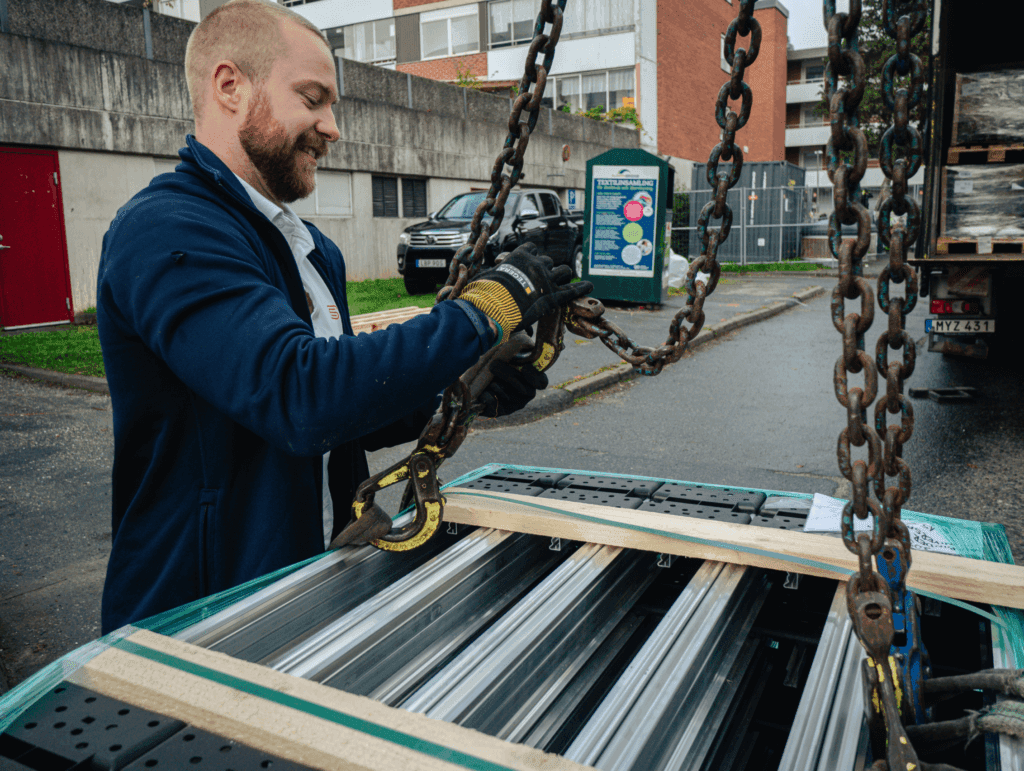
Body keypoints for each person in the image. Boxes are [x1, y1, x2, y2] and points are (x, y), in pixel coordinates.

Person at [96, 0, 590, 633]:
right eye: (312, 98)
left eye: (333, 106)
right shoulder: (166, 230)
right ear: (229, 87)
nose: (332, 127)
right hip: (190, 617)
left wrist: (461, 392)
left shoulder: (309, 250)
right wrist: (483, 312)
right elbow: (299, 395)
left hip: (296, 591)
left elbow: (342, 407)